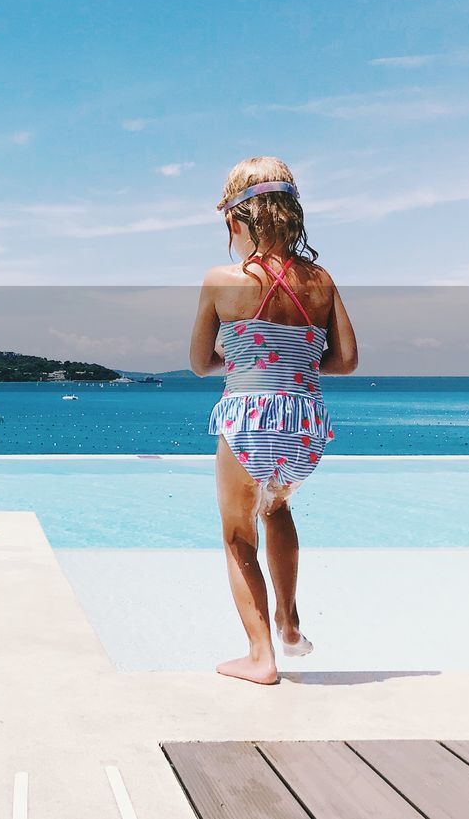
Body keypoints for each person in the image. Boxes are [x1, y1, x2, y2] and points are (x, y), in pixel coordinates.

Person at [189, 156, 358, 685]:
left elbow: (198, 363)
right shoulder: (321, 280)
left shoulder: (223, 280)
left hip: (249, 416)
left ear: (238, 220)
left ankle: (261, 655)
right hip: (304, 418)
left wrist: (243, 356)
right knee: (276, 512)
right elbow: (347, 359)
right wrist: (294, 359)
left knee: (238, 535)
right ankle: (289, 621)